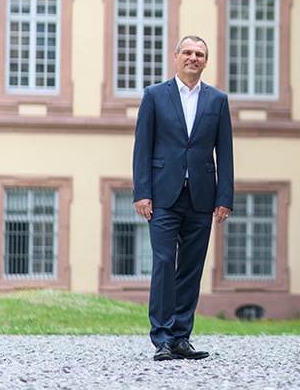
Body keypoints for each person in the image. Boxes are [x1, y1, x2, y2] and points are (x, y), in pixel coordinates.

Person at [132, 35, 234, 361]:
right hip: (162, 195)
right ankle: (161, 337)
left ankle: (180, 337)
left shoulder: (217, 100)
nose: (193, 58)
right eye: (188, 52)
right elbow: (142, 148)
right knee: (163, 263)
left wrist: (225, 197)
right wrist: (142, 193)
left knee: (191, 267)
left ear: (206, 61)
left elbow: (225, 153)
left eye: (200, 54)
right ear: (176, 56)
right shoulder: (154, 96)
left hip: (201, 197)